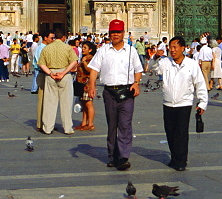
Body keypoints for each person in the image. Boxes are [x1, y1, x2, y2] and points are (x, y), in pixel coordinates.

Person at [85, 19, 143, 171]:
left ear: (123, 33)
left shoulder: (132, 51)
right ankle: (112, 156)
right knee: (112, 125)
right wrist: (91, 86)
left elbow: (138, 69)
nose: (115, 35)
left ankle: (123, 157)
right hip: (109, 92)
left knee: (125, 124)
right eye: (113, 32)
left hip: (127, 92)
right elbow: (94, 70)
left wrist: (136, 82)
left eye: (118, 32)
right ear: (109, 34)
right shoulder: (104, 50)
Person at [157, 36, 208, 171]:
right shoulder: (165, 63)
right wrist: (155, 57)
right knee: (170, 132)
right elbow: (152, 68)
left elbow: (200, 83)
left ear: (183, 48)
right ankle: (174, 158)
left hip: (184, 103)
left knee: (181, 133)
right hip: (168, 103)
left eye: (175, 47)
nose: (172, 50)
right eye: (170, 47)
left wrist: (202, 102)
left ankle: (181, 161)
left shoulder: (191, 64)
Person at [37, 31, 78, 135]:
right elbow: (74, 61)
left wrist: (50, 73)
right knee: (66, 103)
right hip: (64, 75)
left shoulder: (47, 48)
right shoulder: (67, 48)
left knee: (49, 103)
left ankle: (47, 128)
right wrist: (64, 72)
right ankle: (68, 128)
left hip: (50, 75)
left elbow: (41, 64)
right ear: (64, 37)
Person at [75, 42, 96, 131]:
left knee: (88, 104)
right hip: (81, 84)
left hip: (87, 84)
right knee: (84, 104)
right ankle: (84, 123)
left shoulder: (91, 59)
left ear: (90, 50)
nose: (83, 49)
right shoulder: (84, 57)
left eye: (85, 47)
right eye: (82, 47)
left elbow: (90, 70)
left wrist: (83, 62)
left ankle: (90, 124)